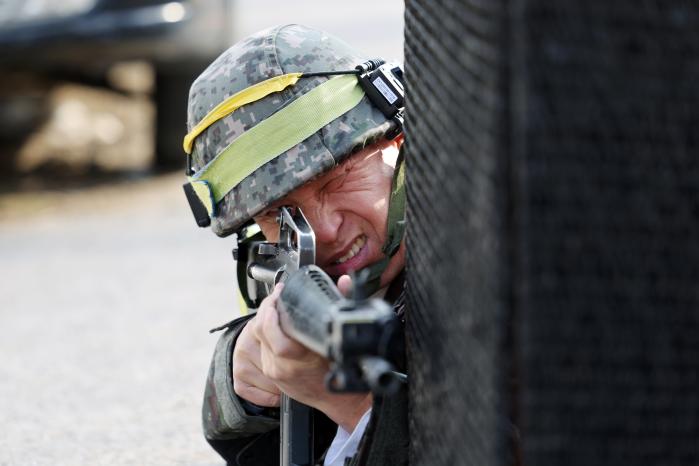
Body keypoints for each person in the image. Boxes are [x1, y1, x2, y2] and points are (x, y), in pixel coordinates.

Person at [182, 24, 408, 466]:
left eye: (338, 178)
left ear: (396, 145)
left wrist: (351, 406)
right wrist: (244, 387)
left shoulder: (474, 262)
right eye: (277, 212)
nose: (321, 230)